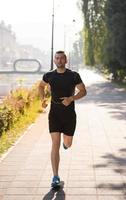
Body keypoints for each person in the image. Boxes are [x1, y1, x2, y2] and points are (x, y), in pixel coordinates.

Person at [38, 50, 87, 188]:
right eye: (57, 58)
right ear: (54, 60)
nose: (59, 60)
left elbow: (83, 91)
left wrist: (71, 98)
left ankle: (67, 144)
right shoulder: (49, 75)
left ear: (66, 61)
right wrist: (42, 99)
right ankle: (55, 176)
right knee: (55, 144)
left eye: (62, 58)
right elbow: (41, 86)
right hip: (54, 115)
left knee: (68, 143)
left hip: (69, 116)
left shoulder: (73, 76)